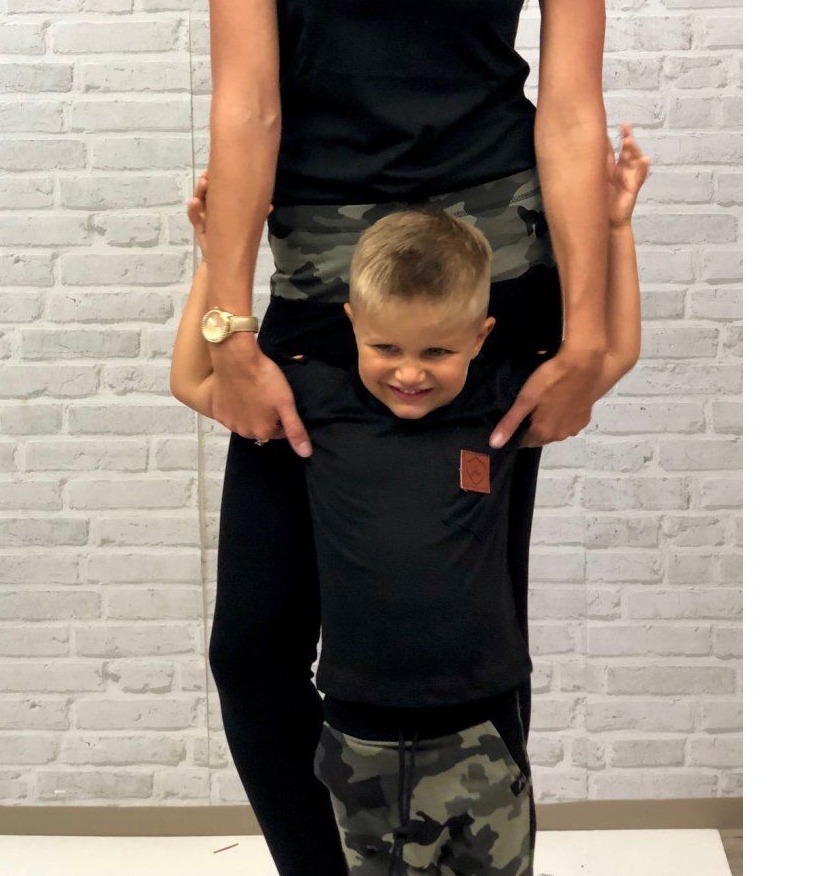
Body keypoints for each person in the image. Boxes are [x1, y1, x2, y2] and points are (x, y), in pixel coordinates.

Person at [198, 0, 636, 871]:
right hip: (324, 303)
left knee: (468, 648)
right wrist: (222, 324)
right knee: (253, 646)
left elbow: (569, 110)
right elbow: (246, 106)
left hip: (494, 305)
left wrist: (590, 335)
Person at [171, 128, 649, 875]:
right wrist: (213, 261)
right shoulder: (316, 404)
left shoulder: (498, 407)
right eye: (387, 348)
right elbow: (192, 382)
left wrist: (616, 228)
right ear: (352, 326)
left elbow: (614, 353)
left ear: (480, 337)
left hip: (483, 723)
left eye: (437, 352)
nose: (410, 373)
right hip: (361, 734)